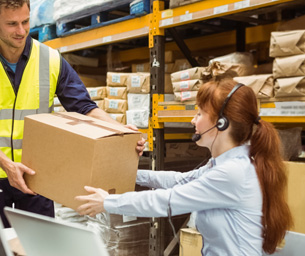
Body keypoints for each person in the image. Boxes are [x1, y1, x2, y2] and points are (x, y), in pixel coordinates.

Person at [0, 0, 145, 228]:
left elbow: (84, 106)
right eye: (12, 24)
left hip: (36, 175)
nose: (21, 31)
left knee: (40, 245)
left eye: (25, 22)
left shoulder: (50, 59)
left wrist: (120, 131)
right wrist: (7, 165)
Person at [76, 78, 293, 255]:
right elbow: (179, 180)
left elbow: (168, 201)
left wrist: (108, 202)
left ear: (221, 123)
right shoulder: (226, 165)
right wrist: (127, 172)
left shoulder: (233, 173)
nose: (193, 120)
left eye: (199, 114)